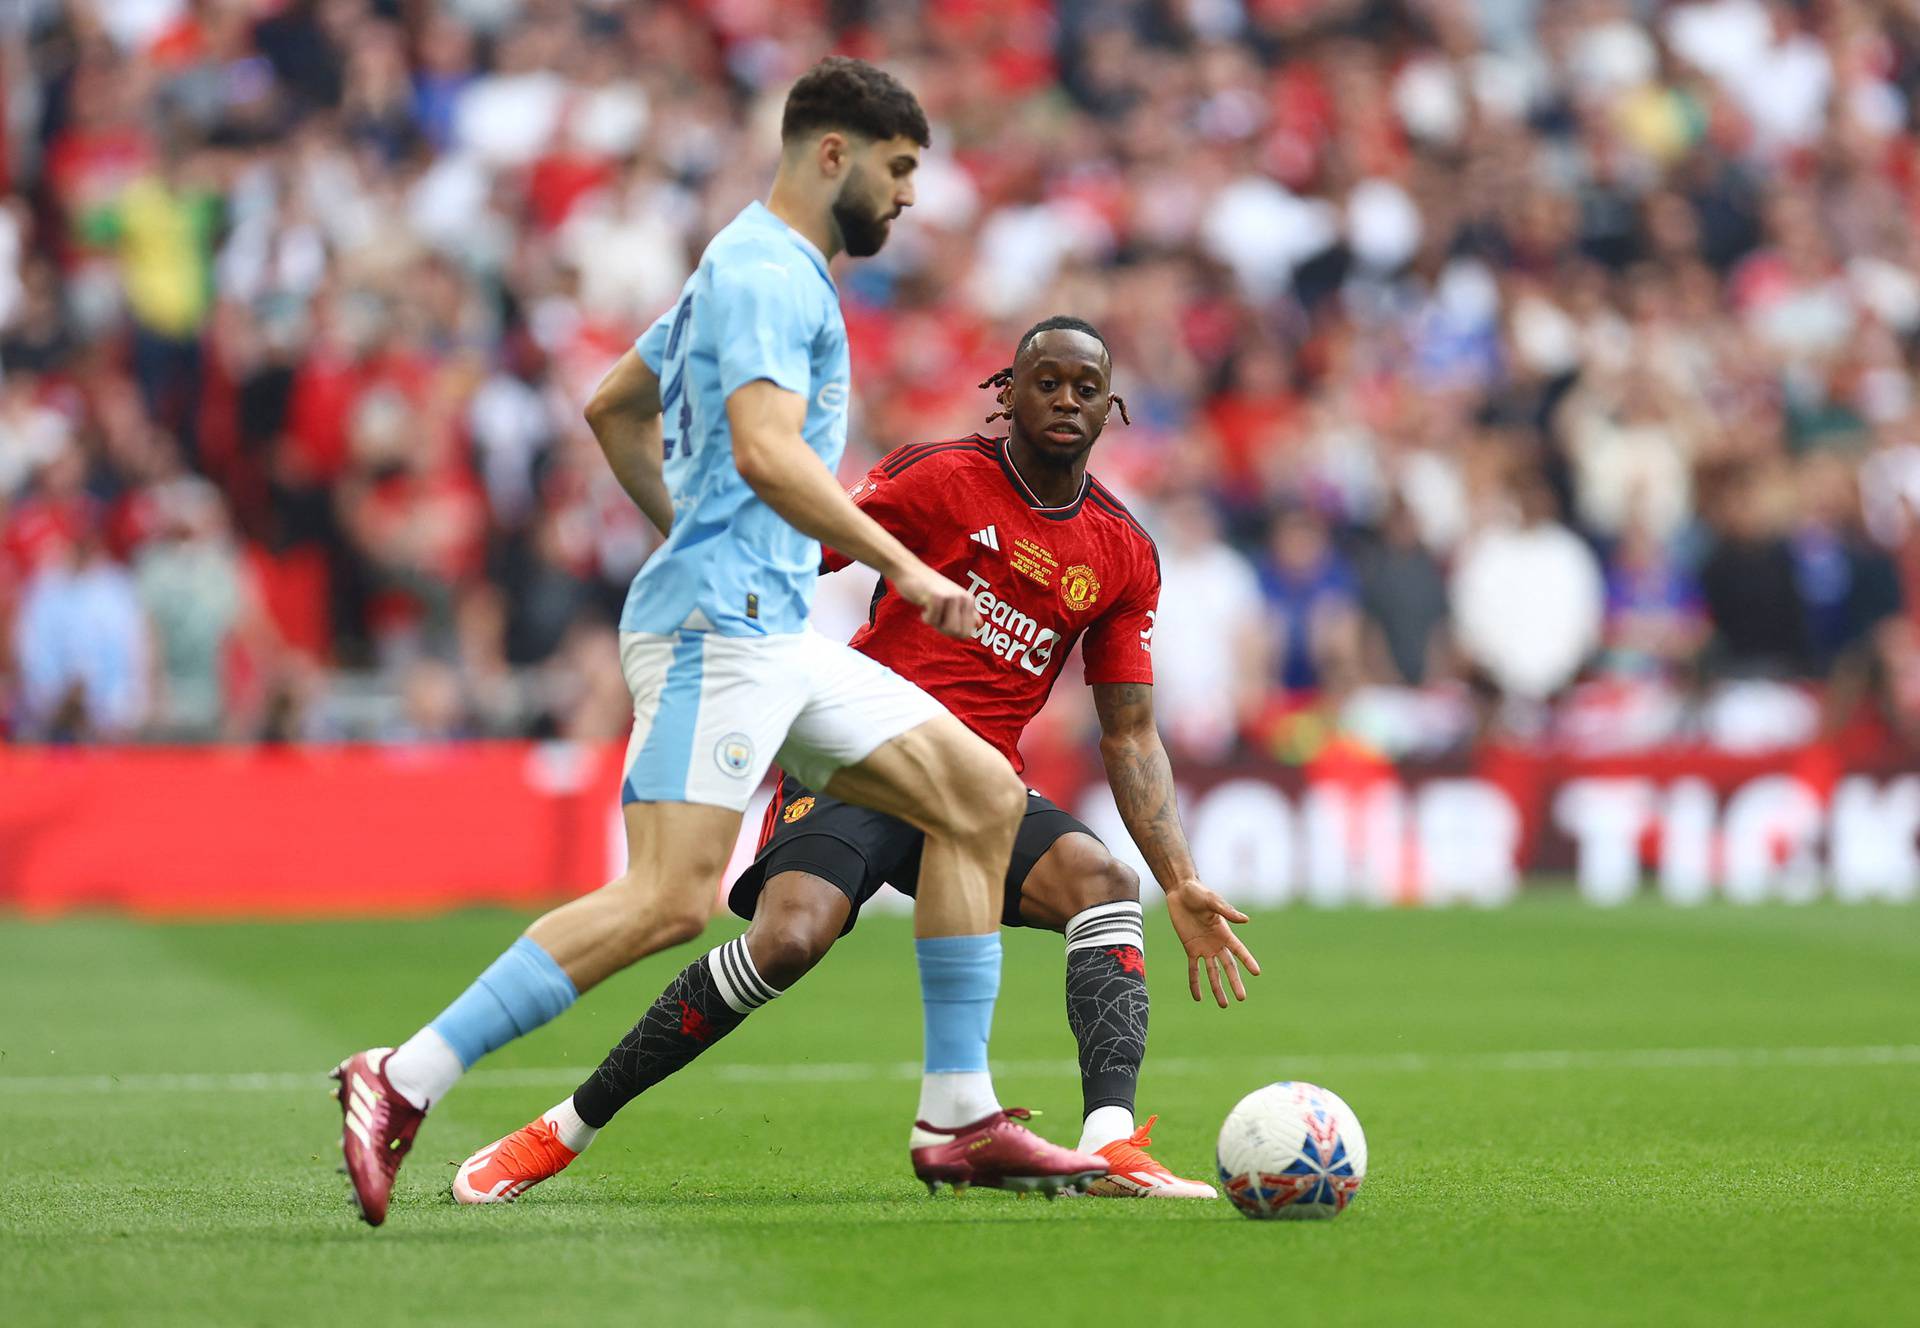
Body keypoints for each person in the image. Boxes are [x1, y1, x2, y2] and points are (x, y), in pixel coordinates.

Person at [331, 58, 1106, 1228]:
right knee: (668, 901)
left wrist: (702, 533)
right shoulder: (765, 274)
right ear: (832, 154)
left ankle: (958, 1112)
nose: (907, 199)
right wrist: (894, 564)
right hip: (715, 633)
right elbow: (763, 446)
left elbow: (611, 405)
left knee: (979, 796)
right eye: (898, 171)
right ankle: (404, 1075)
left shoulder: (740, 265)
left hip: (770, 628)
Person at [450, 316, 1260, 1206]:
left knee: (1105, 885)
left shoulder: (1121, 551)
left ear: (1115, 407)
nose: (1066, 399)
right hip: (861, 754)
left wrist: (1176, 877)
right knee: (789, 940)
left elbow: (1131, 733)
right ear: (1008, 392)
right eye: (1047, 381)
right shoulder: (938, 478)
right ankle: (560, 1130)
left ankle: (1111, 1145)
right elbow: (800, 554)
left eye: (1086, 386)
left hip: (974, 790)